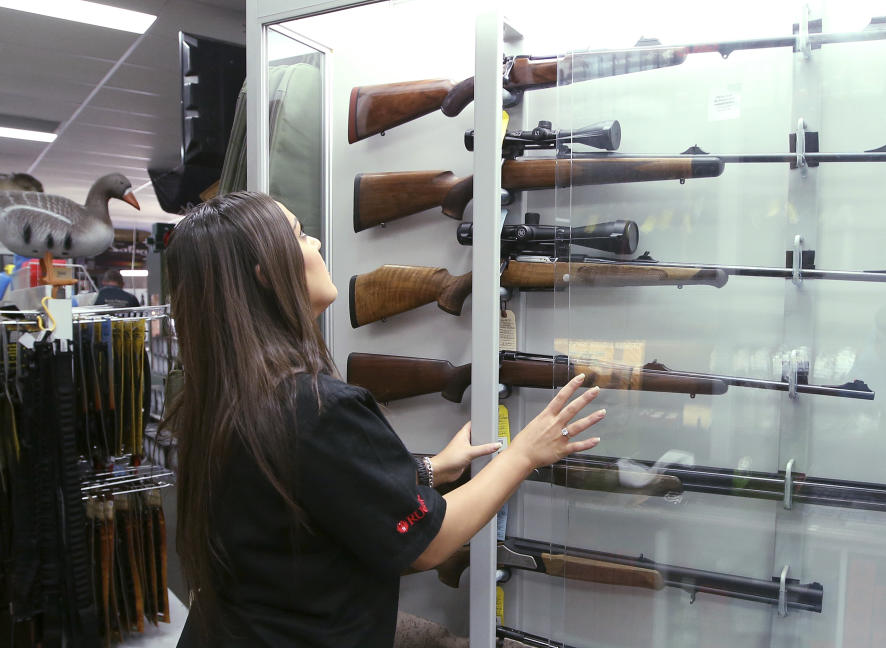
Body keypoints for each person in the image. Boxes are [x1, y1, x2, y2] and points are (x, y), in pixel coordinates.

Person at [164, 191, 605, 648]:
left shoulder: (225, 395)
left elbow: (305, 491)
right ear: (265, 274)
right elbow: (430, 546)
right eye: (299, 235)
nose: (316, 244)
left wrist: (429, 470)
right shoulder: (316, 407)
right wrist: (524, 454)